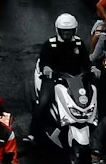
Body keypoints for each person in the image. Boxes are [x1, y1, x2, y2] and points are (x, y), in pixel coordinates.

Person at [25, 14, 93, 144]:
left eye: (69, 31)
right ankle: (33, 133)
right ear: (58, 30)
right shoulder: (50, 44)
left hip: (75, 79)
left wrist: (93, 69)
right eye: (64, 31)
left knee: (92, 96)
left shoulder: (79, 43)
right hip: (53, 79)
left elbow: (86, 62)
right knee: (43, 102)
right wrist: (46, 69)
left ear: (74, 30)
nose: (67, 34)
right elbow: (43, 62)